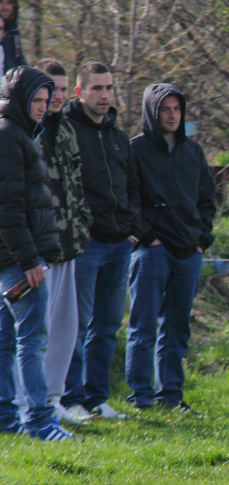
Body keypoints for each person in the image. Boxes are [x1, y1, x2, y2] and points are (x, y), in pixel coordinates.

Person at [125, 83, 216, 412]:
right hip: (152, 252)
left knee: (177, 328)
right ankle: (140, 396)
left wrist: (202, 239)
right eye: (165, 109)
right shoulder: (134, 149)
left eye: (177, 109)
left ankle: (171, 395)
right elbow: (128, 198)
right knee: (143, 326)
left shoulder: (193, 151)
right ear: (152, 112)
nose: (172, 115)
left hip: (188, 252)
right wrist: (146, 237)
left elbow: (208, 198)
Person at [61, 61, 140, 421]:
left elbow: (132, 187)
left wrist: (132, 227)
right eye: (97, 88)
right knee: (76, 324)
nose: (105, 95)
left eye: (109, 87)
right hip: (85, 244)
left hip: (120, 243)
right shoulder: (65, 131)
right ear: (80, 92)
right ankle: (69, 398)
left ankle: (96, 398)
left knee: (107, 325)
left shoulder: (118, 137)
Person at [0, 65, 74, 441]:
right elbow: (10, 206)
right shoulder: (10, 137)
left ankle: (5, 417)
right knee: (32, 339)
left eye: (47, 100)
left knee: (5, 339)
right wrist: (30, 260)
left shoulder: (16, 134)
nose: (44, 107)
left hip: (11, 258)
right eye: (37, 100)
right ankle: (41, 422)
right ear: (19, 100)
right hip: (17, 261)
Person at [34, 59, 93, 425]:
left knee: (64, 328)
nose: (56, 96)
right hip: (38, 248)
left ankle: (53, 398)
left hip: (69, 244)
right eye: (50, 89)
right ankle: (30, 401)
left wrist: (81, 226)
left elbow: (77, 184)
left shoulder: (69, 130)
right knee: (35, 330)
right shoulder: (24, 131)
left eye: (62, 88)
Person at [0, 0, 25, 73]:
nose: (5, 7)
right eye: (1, 2)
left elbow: (19, 62)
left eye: (9, 3)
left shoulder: (13, 32)